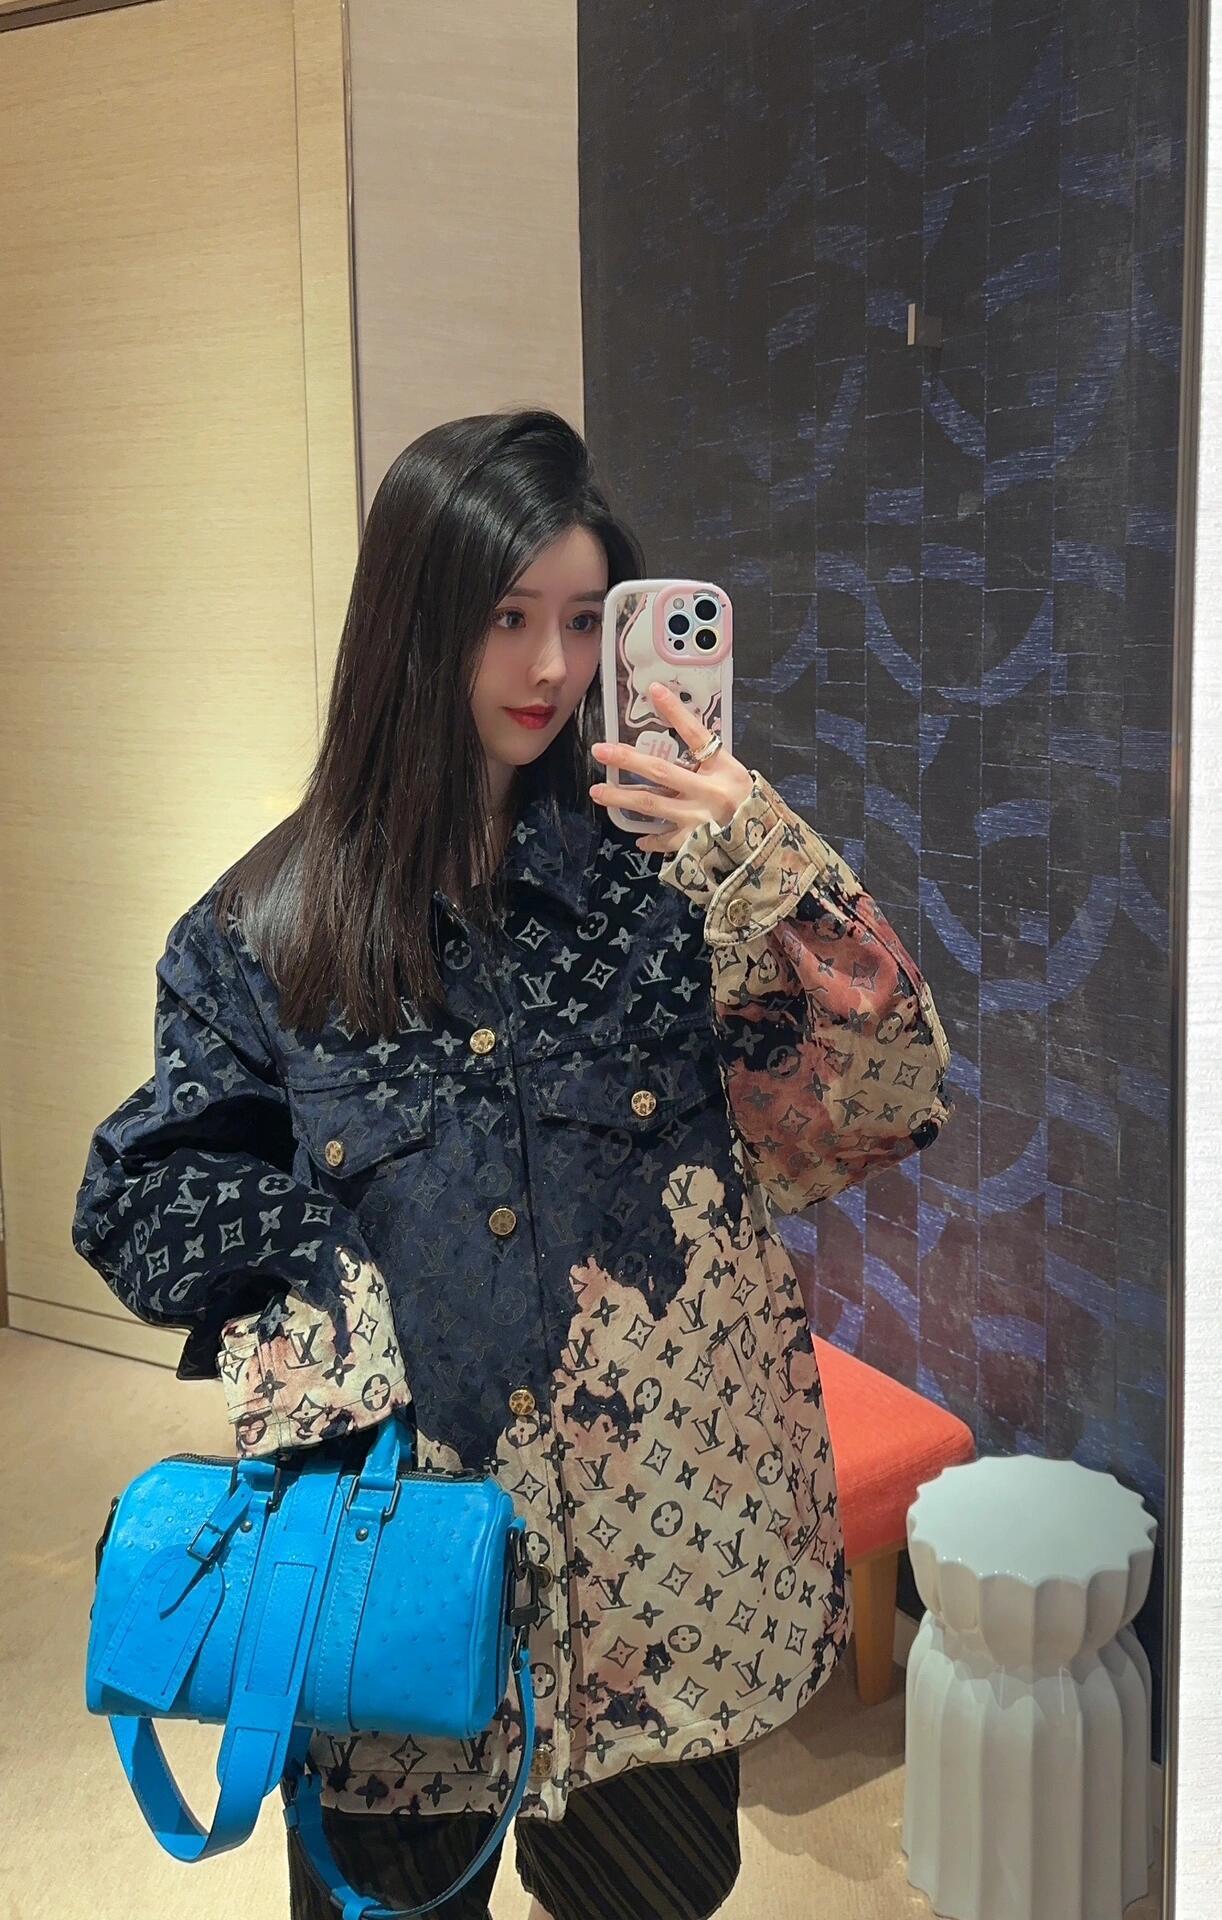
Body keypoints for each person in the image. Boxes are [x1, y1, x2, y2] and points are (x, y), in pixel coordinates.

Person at [72, 408, 953, 1920]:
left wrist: (767, 863)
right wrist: (323, 1293)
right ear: (413, 622)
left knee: (647, 1906)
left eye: (581, 619)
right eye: (505, 618)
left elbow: (878, 1100)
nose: (550, 667)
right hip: (398, 1574)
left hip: (655, 1576)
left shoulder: (671, 896)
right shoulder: (267, 934)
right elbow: (144, 1197)